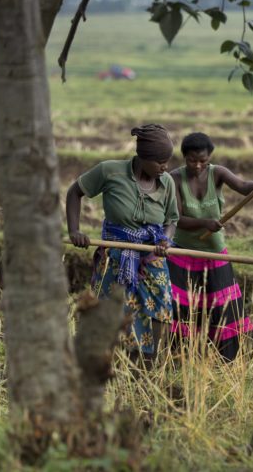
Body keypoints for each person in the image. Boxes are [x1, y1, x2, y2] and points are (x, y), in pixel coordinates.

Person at [66, 124, 179, 361]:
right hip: (116, 254)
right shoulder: (110, 171)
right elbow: (74, 193)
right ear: (143, 157)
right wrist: (75, 230)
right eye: (160, 161)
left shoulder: (166, 182)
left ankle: (151, 361)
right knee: (112, 308)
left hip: (151, 254)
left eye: (167, 161)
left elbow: (171, 219)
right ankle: (110, 360)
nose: (165, 167)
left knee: (161, 307)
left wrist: (166, 240)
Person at [167, 132, 253, 361]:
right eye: (192, 161)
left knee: (224, 306)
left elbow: (244, 186)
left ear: (209, 158)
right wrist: (204, 223)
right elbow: (176, 219)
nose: (197, 166)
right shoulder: (174, 178)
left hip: (215, 252)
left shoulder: (218, 173)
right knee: (184, 307)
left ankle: (226, 354)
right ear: (184, 158)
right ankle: (183, 354)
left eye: (202, 161)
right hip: (183, 252)